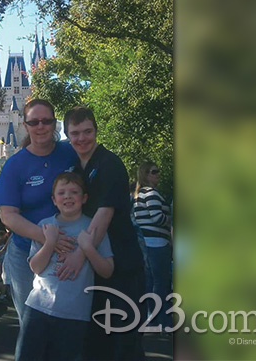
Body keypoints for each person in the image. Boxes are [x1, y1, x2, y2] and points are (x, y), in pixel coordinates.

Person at [0, 99, 78, 360]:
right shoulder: (16, 164)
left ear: (54, 123)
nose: (41, 126)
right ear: (25, 125)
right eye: (34, 122)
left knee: (67, 324)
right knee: (32, 327)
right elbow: (7, 215)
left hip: (70, 251)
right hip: (26, 253)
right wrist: (47, 238)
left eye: (46, 121)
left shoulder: (69, 153)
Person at [62, 106, 146, 361]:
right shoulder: (75, 168)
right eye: (75, 133)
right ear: (67, 135)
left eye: (87, 131)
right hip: (95, 269)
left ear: (96, 131)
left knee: (123, 342)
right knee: (95, 343)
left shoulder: (109, 164)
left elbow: (104, 215)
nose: (81, 138)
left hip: (120, 264)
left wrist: (77, 257)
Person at [18, 172, 114, 361]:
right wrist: (49, 242)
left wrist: (88, 248)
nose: (68, 196)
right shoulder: (45, 226)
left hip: (74, 315)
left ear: (84, 198)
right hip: (38, 307)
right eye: (62, 193)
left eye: (74, 192)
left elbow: (107, 270)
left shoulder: (93, 228)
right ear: (54, 200)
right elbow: (35, 267)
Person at [133, 161, 172, 330]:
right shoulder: (152, 193)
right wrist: (170, 219)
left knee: (150, 282)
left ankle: (152, 319)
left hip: (145, 245)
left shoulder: (139, 194)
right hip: (157, 244)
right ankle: (164, 321)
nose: (158, 174)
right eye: (154, 172)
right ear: (146, 174)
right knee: (161, 283)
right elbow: (157, 217)